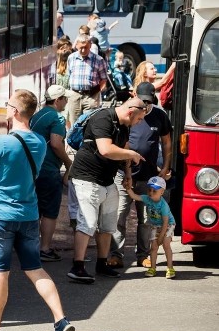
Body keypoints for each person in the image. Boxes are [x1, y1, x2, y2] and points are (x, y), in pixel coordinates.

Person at [0, 90, 75, 331]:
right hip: (28, 215)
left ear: (15, 111)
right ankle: (61, 320)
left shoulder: (3, 143)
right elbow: (15, 161)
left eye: (7, 105)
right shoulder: (38, 141)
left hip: (0, 216)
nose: (5, 108)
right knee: (35, 268)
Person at [67, 98, 147, 284]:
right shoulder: (103, 118)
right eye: (140, 118)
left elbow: (124, 147)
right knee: (87, 223)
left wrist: (128, 173)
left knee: (107, 224)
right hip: (87, 179)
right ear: (130, 112)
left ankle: (102, 264)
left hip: (107, 180)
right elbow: (106, 149)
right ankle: (77, 267)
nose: (140, 122)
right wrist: (132, 155)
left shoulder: (124, 125)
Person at [111, 83, 172, 268]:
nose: (145, 105)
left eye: (148, 101)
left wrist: (166, 166)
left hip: (148, 177)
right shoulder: (127, 112)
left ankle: (143, 255)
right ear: (134, 94)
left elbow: (167, 143)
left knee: (145, 219)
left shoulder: (159, 115)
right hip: (124, 174)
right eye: (143, 100)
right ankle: (116, 254)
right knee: (119, 216)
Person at [29, 85, 71, 262]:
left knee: (35, 209)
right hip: (49, 169)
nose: (66, 102)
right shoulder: (57, 118)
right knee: (50, 211)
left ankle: (31, 247)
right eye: (64, 99)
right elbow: (55, 143)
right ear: (57, 100)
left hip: (33, 168)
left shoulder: (36, 115)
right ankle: (44, 249)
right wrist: (69, 163)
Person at [126, 177, 175, 278]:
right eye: (149, 190)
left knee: (166, 244)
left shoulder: (163, 205)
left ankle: (170, 267)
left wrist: (161, 236)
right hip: (155, 225)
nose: (151, 193)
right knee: (153, 247)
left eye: (154, 191)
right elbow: (134, 196)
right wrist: (128, 188)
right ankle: (153, 268)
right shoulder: (147, 198)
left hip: (168, 224)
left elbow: (165, 222)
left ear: (162, 192)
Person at [65, 34, 107, 125]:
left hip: (91, 97)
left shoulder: (98, 60)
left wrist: (97, 91)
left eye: (86, 48)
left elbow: (104, 79)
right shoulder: (71, 58)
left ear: (90, 46)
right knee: (74, 124)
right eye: (81, 48)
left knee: (89, 124)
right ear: (76, 46)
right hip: (74, 96)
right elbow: (68, 75)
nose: (83, 50)